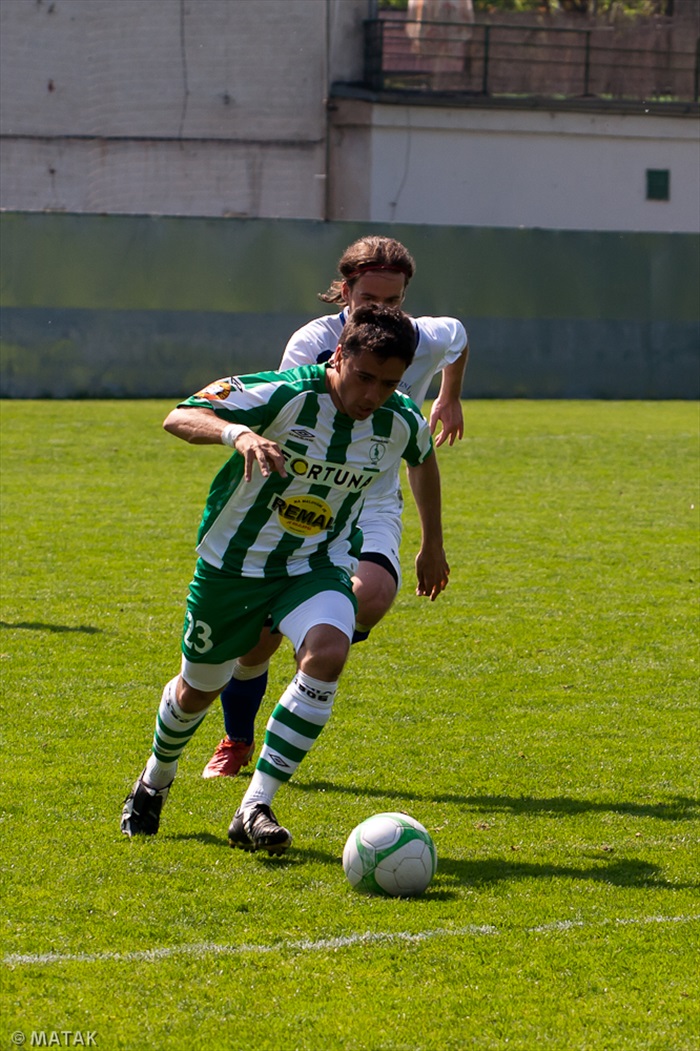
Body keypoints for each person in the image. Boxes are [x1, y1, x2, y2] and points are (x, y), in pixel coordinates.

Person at [121, 304, 449, 853]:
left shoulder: (400, 419)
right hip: (234, 566)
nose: (372, 395)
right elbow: (180, 414)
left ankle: (254, 805)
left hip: (316, 563)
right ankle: (154, 780)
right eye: (364, 377)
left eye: (388, 383)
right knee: (198, 690)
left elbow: (422, 458)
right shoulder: (284, 393)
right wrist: (237, 435)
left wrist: (431, 542)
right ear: (339, 356)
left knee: (327, 654)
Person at [202, 234, 468, 779]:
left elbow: (459, 341)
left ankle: (318, 636)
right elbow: (287, 414)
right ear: (344, 290)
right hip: (312, 493)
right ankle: (237, 738)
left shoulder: (423, 336)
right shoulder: (313, 342)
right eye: (369, 298)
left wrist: (448, 396)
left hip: (372, 497)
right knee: (256, 643)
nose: (381, 310)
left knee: (367, 600)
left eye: (393, 301)